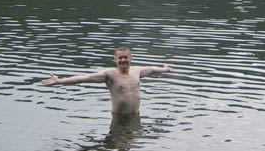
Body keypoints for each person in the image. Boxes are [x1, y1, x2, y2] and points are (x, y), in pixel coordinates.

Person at [40, 46, 172, 115]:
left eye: (125, 57)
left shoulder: (137, 71)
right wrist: (59, 81)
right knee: (120, 145)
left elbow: (152, 70)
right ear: (115, 60)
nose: (123, 60)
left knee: (132, 143)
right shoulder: (109, 75)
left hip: (135, 116)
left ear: (131, 58)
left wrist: (164, 69)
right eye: (120, 58)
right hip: (119, 118)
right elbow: (84, 78)